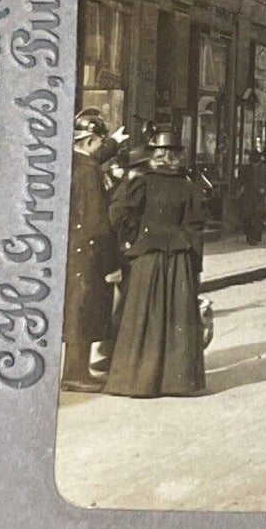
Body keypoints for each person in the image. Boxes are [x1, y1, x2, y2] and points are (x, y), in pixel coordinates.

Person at [104, 131, 208, 399]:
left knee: (142, 315)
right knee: (177, 316)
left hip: (147, 256)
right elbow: (195, 229)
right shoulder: (188, 186)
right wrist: (195, 265)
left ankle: (138, 380)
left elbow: (117, 213)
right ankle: (177, 381)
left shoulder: (141, 183)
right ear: (176, 156)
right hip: (179, 257)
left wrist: (130, 240)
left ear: (154, 155)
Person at [63, 114, 122, 392]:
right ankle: (75, 374)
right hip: (90, 252)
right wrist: (111, 263)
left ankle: (78, 371)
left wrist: (112, 144)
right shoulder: (89, 173)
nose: (101, 148)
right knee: (83, 313)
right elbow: (98, 222)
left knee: (77, 310)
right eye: (99, 142)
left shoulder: (74, 165)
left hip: (74, 249)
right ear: (89, 141)